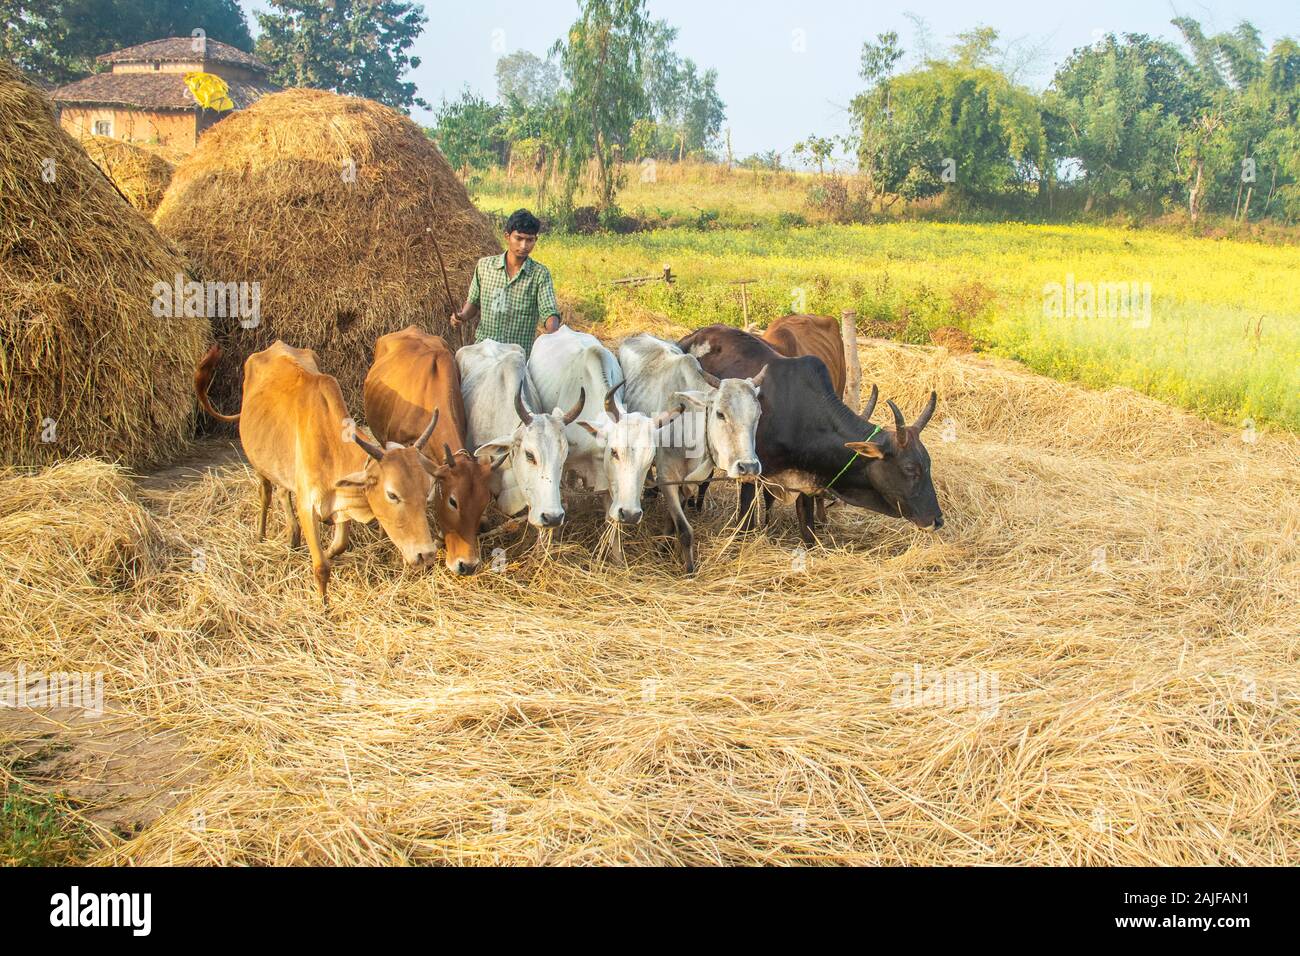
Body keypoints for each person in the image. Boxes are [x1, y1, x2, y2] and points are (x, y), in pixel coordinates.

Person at [450, 208, 560, 354]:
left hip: (517, 355)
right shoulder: (485, 266)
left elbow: (549, 311)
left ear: (535, 240)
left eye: (529, 240)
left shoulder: (540, 274)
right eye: (519, 238)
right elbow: (473, 302)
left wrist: (555, 334)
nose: (524, 246)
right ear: (507, 237)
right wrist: (462, 316)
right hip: (485, 351)